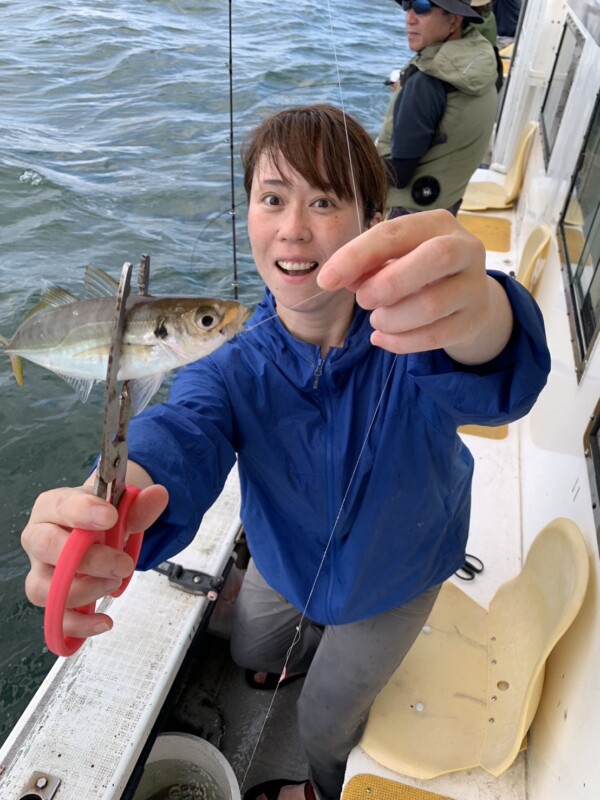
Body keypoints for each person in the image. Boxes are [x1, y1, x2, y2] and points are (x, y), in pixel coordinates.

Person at [21, 104, 550, 800]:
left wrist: (486, 314)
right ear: (248, 213)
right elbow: (182, 431)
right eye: (272, 198)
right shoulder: (228, 358)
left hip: (399, 576)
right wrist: (110, 503)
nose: (293, 229)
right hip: (287, 563)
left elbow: (494, 378)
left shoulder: (417, 336)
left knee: (325, 720)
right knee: (249, 651)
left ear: (370, 219)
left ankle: (319, 789)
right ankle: (282, 649)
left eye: (324, 200)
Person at [377, 0, 499, 218]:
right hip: (445, 208)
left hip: (405, 217)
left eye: (423, 7)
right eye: (408, 6)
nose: (410, 18)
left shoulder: (425, 84)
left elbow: (400, 174)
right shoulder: (483, 60)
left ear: (454, 20)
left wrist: (348, 165)